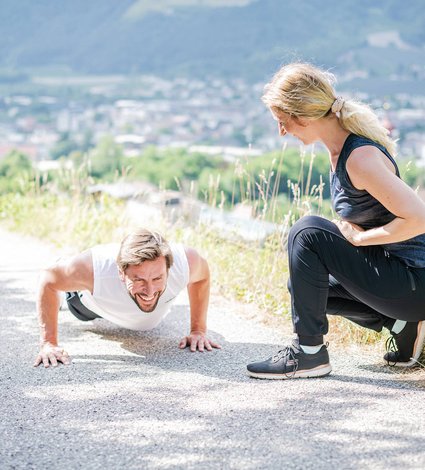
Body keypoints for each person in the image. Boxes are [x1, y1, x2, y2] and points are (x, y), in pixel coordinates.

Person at [247, 62, 425, 379]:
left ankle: (309, 354)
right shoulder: (341, 150)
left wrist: (358, 240)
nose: (281, 131)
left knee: (307, 231)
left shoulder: (360, 157)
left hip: (417, 282)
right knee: (306, 288)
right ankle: (403, 326)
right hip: (405, 285)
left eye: (283, 121)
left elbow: (419, 219)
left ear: (303, 117)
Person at [34, 228, 221, 368]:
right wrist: (49, 343)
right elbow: (48, 281)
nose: (149, 291)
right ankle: (63, 262)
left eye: (157, 278)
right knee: (66, 288)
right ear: (121, 273)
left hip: (140, 318)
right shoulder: (93, 270)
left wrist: (198, 330)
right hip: (89, 306)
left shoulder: (187, 262)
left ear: (168, 269)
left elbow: (202, 278)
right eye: (138, 280)